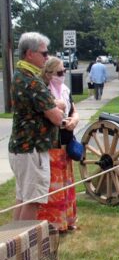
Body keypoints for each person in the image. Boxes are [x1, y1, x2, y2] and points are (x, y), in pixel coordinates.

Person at [8, 32, 65, 221]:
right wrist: (59, 106)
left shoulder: (19, 75)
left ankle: (12, 246)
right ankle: (23, 247)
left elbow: (47, 106)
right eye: (44, 53)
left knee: (23, 198)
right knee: (33, 200)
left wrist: (53, 105)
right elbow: (56, 118)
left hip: (21, 147)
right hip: (32, 149)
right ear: (30, 54)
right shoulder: (32, 81)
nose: (47, 57)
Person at [37, 57, 79, 232]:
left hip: (66, 142)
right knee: (53, 186)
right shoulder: (43, 92)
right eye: (60, 72)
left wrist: (74, 120)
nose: (63, 75)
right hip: (50, 144)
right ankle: (54, 224)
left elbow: (74, 109)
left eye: (64, 71)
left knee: (67, 183)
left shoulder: (65, 90)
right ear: (48, 74)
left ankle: (68, 220)